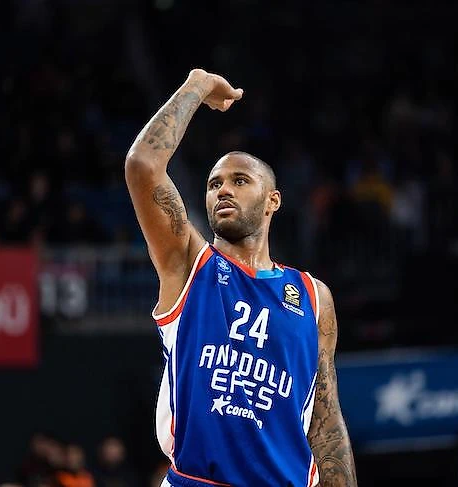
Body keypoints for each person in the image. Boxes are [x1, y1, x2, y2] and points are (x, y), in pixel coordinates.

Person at [125, 69, 357, 486]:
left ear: (273, 201)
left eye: (240, 180)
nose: (223, 190)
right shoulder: (189, 264)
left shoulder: (313, 297)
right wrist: (196, 86)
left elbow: (326, 425)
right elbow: (143, 166)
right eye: (214, 184)